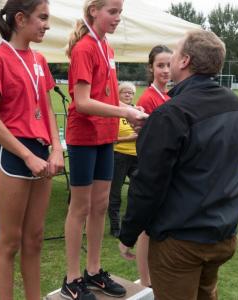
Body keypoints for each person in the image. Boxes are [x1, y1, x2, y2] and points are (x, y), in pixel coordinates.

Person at [119, 29, 238, 300]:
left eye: (174, 53)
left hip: (182, 240)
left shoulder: (173, 113)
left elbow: (149, 182)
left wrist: (127, 233)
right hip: (222, 235)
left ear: (185, 60)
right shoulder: (236, 106)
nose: (171, 59)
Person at [60, 1, 147, 299]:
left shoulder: (107, 48)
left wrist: (128, 110)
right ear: (94, 11)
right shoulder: (85, 48)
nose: (118, 18)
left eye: (120, 12)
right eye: (113, 12)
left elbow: (105, 97)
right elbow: (82, 102)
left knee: (99, 206)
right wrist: (124, 112)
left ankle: (93, 271)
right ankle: (72, 278)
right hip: (84, 137)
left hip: (105, 137)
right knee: (80, 208)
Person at [0, 1, 64, 299]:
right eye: (42, 18)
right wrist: (26, 155)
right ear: (20, 18)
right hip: (13, 153)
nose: (47, 24)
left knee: (35, 239)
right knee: (10, 241)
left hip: (42, 151)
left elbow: (48, 109)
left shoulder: (40, 60)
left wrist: (56, 149)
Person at [135, 45, 172, 288]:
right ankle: (145, 281)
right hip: (152, 169)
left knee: (161, 227)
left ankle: (154, 277)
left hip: (168, 170)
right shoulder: (147, 98)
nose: (166, 70)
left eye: (169, 65)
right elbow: (142, 138)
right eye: (160, 65)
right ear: (151, 68)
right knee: (146, 228)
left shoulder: (170, 97)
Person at [108, 82, 138, 239]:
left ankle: (134, 223)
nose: (128, 95)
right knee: (115, 192)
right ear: (118, 95)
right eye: (125, 92)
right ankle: (115, 226)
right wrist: (129, 138)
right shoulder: (114, 113)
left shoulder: (136, 111)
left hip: (136, 156)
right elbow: (110, 138)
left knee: (139, 189)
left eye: (131, 93)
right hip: (119, 155)